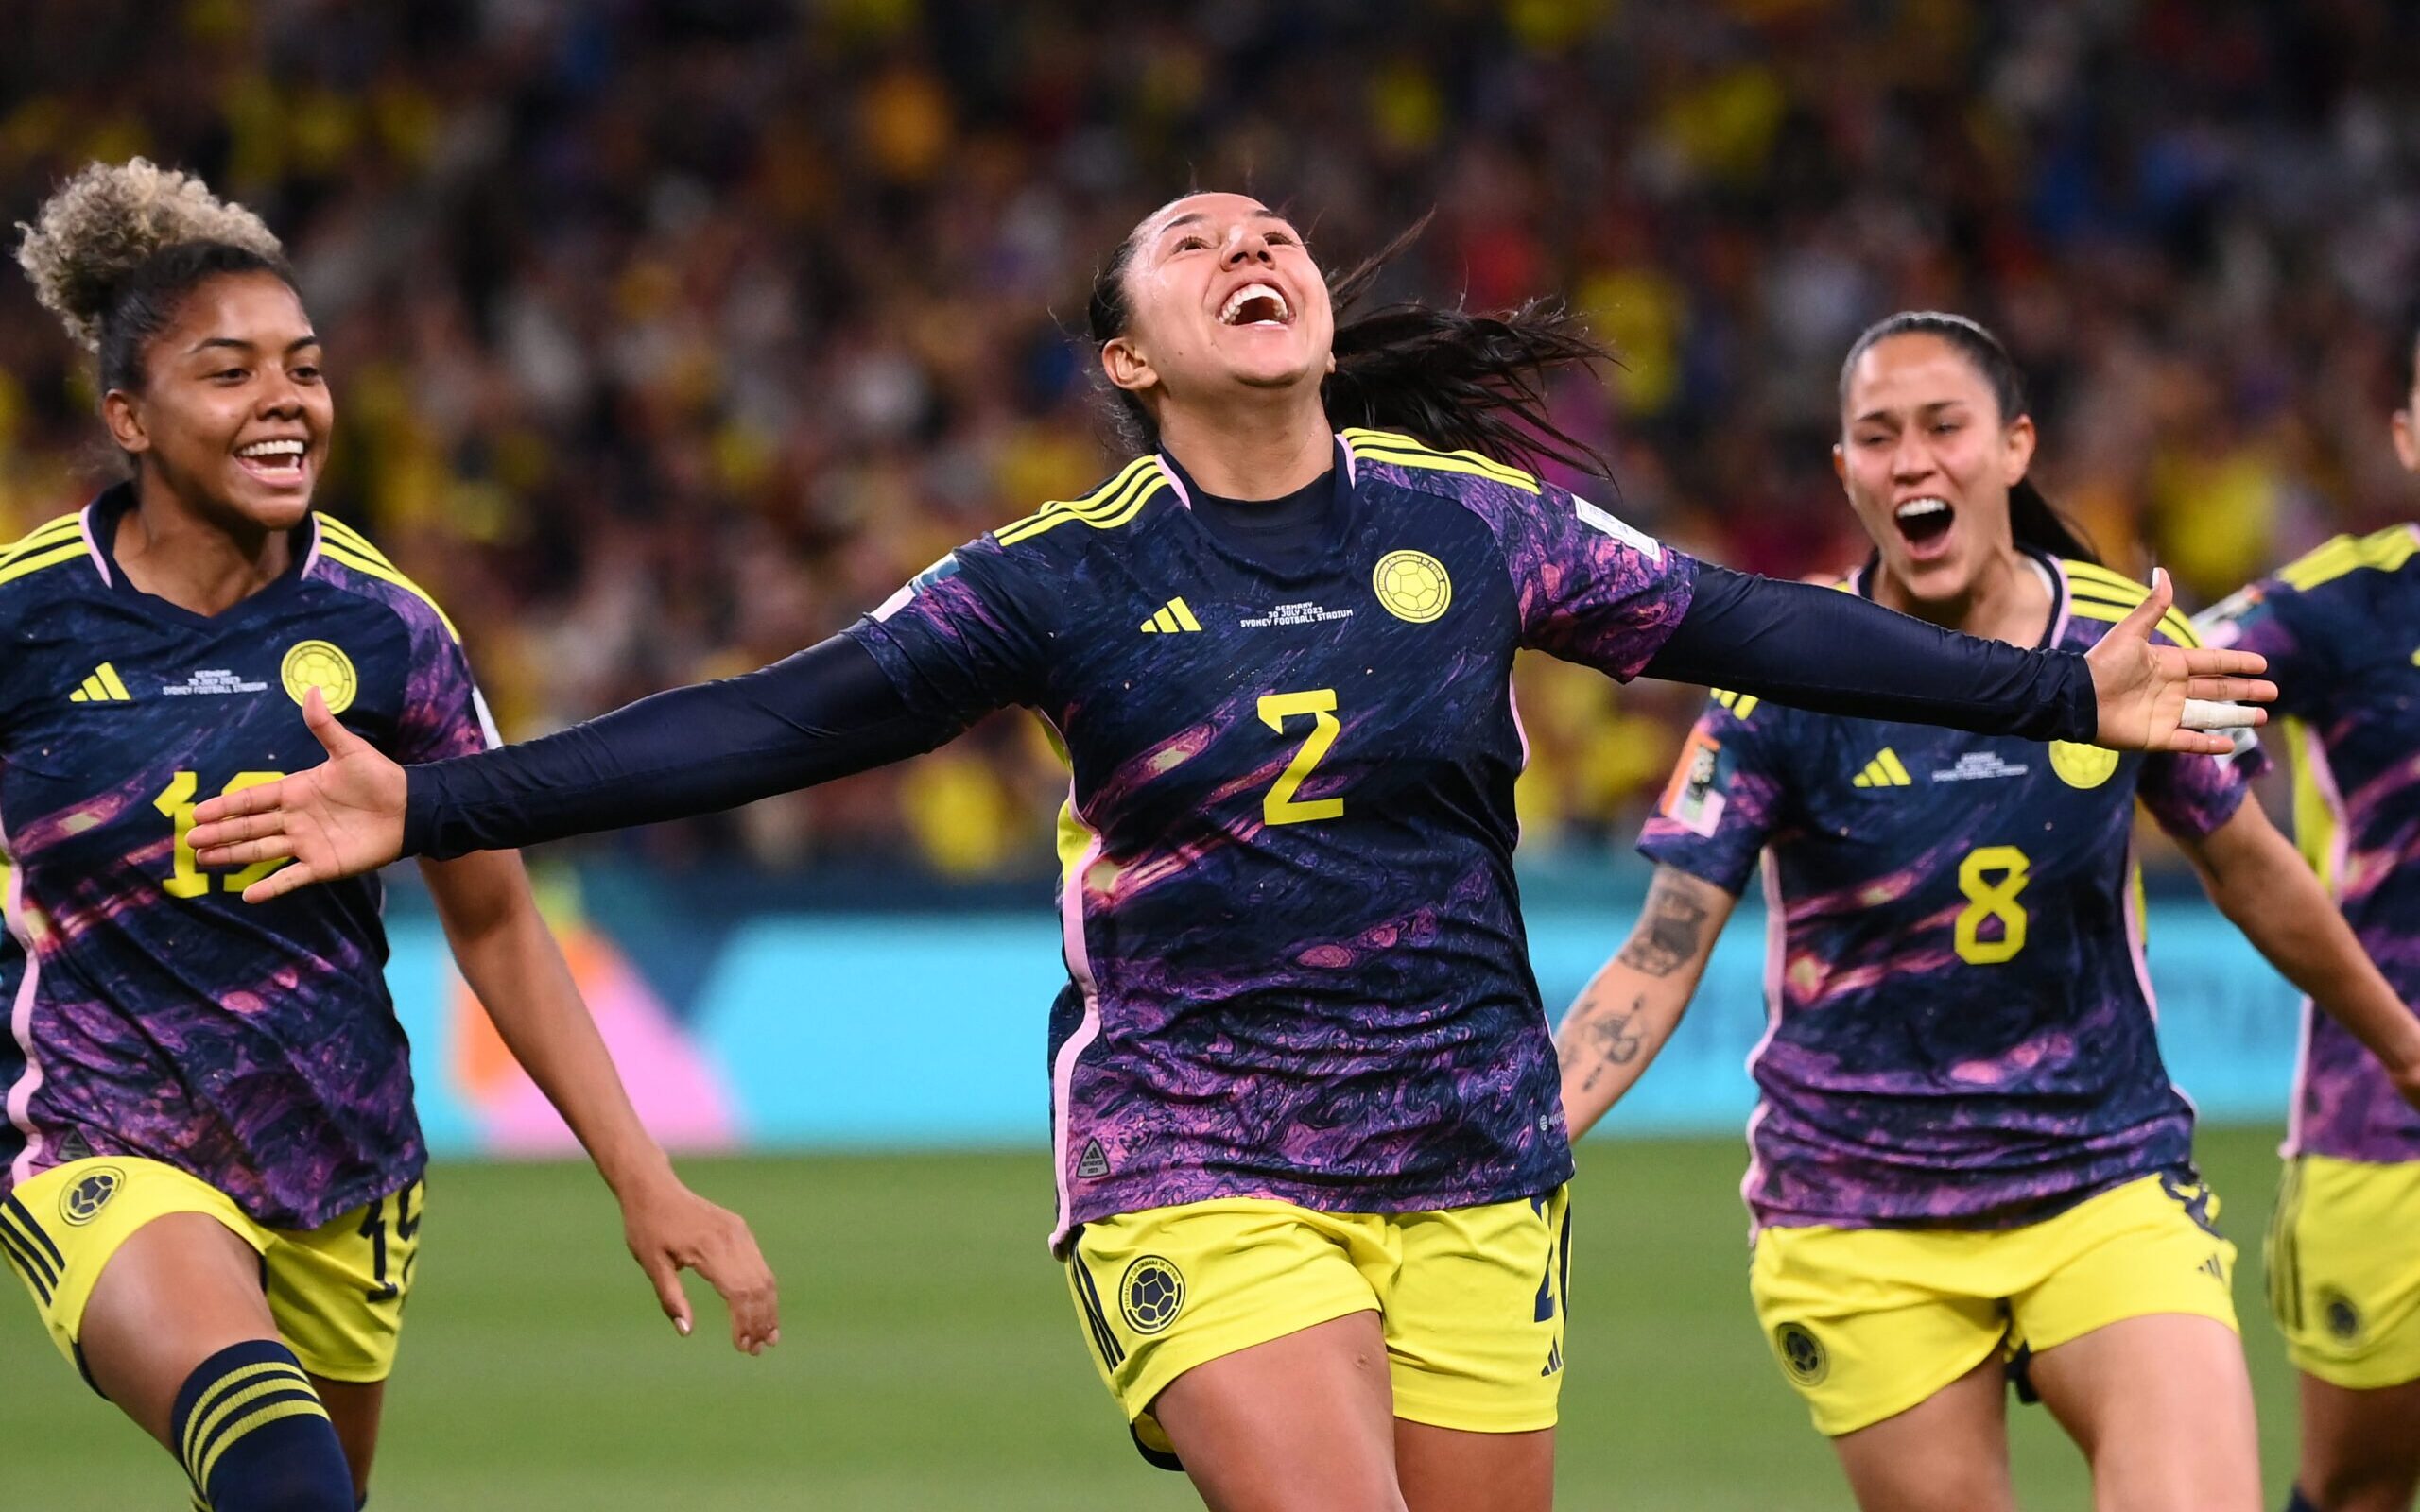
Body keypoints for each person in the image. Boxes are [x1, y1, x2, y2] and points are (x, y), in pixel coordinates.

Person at [191, 198, 2269, 1512]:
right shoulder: (1055, 579)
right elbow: (771, 713)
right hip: (1201, 1149)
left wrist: (2062, 688)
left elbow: (1741, 617)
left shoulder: (1473, 524)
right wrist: (432, 798)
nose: (1246, 244)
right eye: (1189, 244)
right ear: (1128, 355)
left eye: (1265, 229)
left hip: (1467, 1161)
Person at [0, 160, 777, 1512]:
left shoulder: (386, 631)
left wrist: (647, 1181)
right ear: (128, 415)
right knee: (278, 1470)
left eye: (304, 367)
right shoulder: (24, 624)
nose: (286, 400)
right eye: (231, 373)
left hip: (339, 1165)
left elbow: (493, 921)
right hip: (99, 1135)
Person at [1552, 310, 2420, 1512]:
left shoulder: (2121, 643)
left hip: (2101, 1180)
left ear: (2013, 447)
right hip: (1860, 1210)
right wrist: (1530, 1129)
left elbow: (2253, 869)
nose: (1912, 459)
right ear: (1845, 472)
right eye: (1876, 435)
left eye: (1942, 426)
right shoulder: (1784, 674)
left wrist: (2404, 1046)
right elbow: (1663, 942)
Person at [2197, 318, 2420, 1512]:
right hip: (2386, 1111)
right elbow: (2171, 676)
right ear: (2406, 433)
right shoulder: (2342, 606)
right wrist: (2215, 756)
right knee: (2357, 1487)